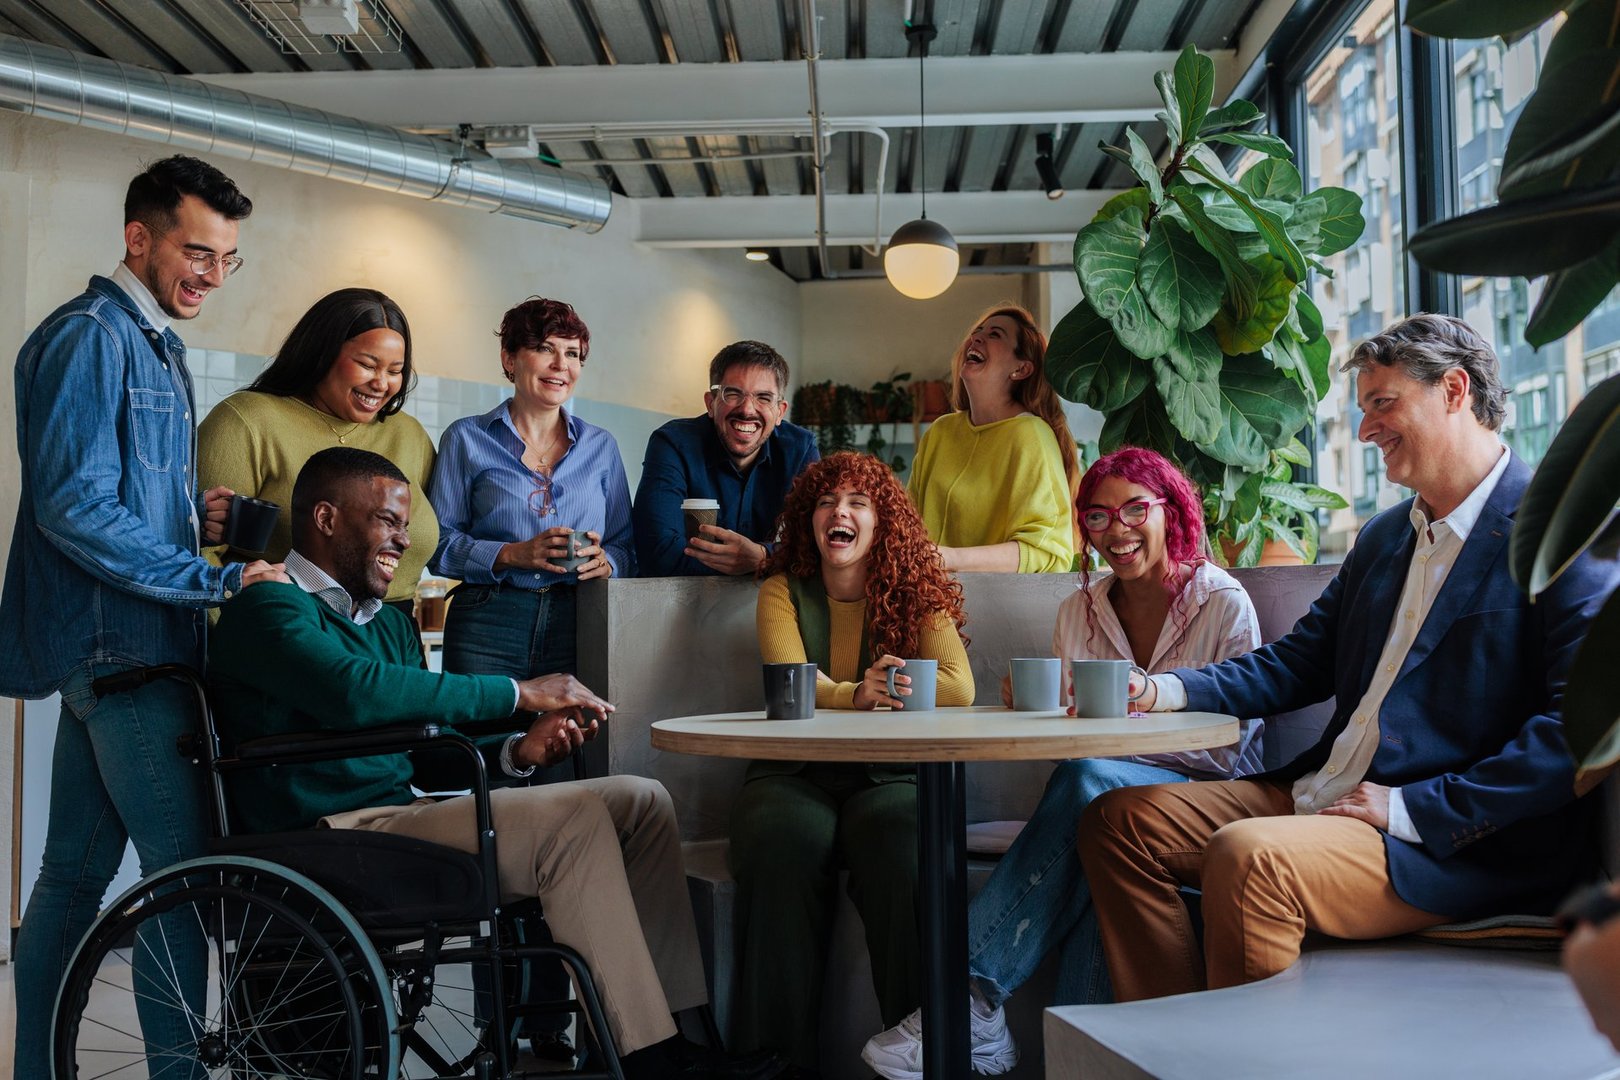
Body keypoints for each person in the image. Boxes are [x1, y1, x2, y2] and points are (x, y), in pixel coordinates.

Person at [1077, 313, 1620, 1002]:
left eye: (1383, 404)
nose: (1365, 430)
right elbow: (1297, 663)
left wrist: (1409, 808)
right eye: (1364, 409)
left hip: (1442, 839)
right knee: (1119, 821)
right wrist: (1163, 692)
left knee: (1250, 859)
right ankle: (1174, 1040)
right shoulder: (1386, 536)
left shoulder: (1564, 532)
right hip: (1327, 788)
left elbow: (1580, 730)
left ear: (1454, 390)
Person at [208, 447, 782, 1080]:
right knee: (579, 820)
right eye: (387, 523)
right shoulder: (268, 606)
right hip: (326, 838)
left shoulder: (389, 625)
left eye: (405, 526)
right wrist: (517, 692)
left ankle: (678, 1031)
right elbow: (353, 691)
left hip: (399, 821)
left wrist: (518, 750)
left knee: (641, 800)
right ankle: (646, 1059)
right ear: (325, 518)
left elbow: (427, 754)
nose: (402, 541)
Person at [0, 155, 287, 1079]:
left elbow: (107, 495)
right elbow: (73, 506)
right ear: (139, 237)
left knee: (74, 881)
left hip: (120, 652)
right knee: (183, 879)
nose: (209, 272)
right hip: (125, 655)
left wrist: (188, 517)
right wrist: (211, 581)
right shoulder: (93, 335)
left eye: (226, 258)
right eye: (196, 251)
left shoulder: (149, 339)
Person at [862, 447, 1264, 1079]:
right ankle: (1070, 1064)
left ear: (1172, 512)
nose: (1118, 531)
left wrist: (1124, 728)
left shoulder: (1223, 602)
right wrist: (1037, 708)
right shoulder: (1078, 611)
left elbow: (1233, 745)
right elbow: (1068, 739)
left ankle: (970, 995)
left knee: (1091, 786)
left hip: (1205, 796)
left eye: (1136, 509)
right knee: (1098, 832)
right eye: (1098, 518)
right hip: (1106, 801)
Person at [730, 451, 975, 1076]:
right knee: (777, 839)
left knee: (905, 844)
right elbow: (790, 681)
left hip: (889, 773)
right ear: (809, 520)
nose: (839, 513)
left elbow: (959, 687)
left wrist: (884, 689)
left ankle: (924, 1053)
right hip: (793, 772)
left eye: (857, 503)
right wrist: (856, 694)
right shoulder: (780, 590)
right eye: (825, 503)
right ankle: (775, 1062)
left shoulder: (919, 592)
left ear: (882, 520)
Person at [429, 296, 633, 705]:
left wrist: (606, 562)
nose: (562, 365)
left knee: (568, 750)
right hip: (488, 618)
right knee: (479, 746)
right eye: (545, 349)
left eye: (572, 353)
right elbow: (436, 545)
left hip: (579, 618)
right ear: (509, 359)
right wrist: (512, 553)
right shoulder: (466, 438)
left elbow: (627, 545)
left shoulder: (601, 446)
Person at [199, 287, 437, 614]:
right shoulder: (248, 421)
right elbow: (196, 550)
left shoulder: (410, 435)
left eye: (395, 371)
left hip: (393, 633)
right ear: (322, 353)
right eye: (368, 365)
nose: (382, 384)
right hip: (285, 630)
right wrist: (229, 636)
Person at [907, 305, 1080, 573]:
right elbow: (907, 521)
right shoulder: (940, 433)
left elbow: (1047, 553)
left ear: (1021, 369)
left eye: (995, 335)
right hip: (930, 609)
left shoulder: (1031, 436)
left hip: (998, 612)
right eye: (977, 332)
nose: (975, 338)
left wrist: (947, 559)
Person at [632, 339, 818, 576]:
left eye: (763, 397)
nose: (748, 409)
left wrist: (762, 556)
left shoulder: (800, 449)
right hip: (679, 607)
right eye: (732, 393)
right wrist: (767, 560)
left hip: (771, 605)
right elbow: (656, 552)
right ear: (711, 403)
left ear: (780, 411)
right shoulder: (673, 444)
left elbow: (815, 548)